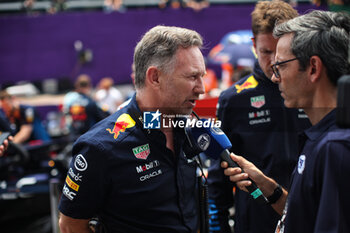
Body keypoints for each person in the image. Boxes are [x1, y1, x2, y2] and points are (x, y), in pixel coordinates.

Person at [58, 25, 206, 233]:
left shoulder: (186, 131)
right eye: (192, 77)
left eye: (202, 76)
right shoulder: (100, 148)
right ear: (155, 77)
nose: (202, 89)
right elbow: (71, 226)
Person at [223, 10, 350, 233]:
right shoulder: (321, 138)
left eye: (280, 66)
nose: (274, 77)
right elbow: (305, 217)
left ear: (313, 68)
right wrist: (269, 188)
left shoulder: (334, 147)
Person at [207, 1, 311, 233]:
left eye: (281, 51)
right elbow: (218, 179)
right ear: (254, 45)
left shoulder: (313, 88)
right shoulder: (233, 99)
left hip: (308, 215)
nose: (274, 61)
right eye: (266, 51)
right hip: (256, 220)